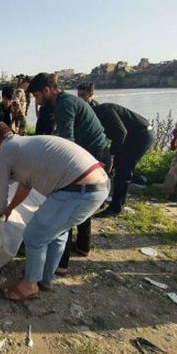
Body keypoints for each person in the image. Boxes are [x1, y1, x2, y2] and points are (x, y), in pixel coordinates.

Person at [0, 122, 109, 299]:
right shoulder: (24, 145)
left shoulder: (3, 154)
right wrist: (10, 209)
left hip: (78, 191)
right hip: (99, 185)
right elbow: (25, 186)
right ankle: (44, 279)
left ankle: (29, 286)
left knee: (34, 236)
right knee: (57, 233)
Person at [28, 72, 110, 274]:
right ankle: (82, 246)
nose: (37, 101)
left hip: (90, 156)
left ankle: (61, 265)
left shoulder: (64, 105)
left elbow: (67, 144)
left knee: (68, 207)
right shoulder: (66, 101)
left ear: (47, 90)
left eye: (37, 96)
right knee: (82, 205)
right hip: (95, 155)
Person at [92, 103, 154, 217]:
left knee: (123, 170)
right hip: (131, 136)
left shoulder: (105, 111)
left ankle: (115, 208)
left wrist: (111, 155)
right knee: (115, 166)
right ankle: (138, 180)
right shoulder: (96, 115)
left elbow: (121, 132)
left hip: (141, 135)